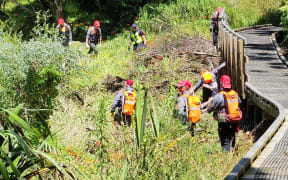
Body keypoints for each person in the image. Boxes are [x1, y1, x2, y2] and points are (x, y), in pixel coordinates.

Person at [207, 75, 242, 152]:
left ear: (221, 83)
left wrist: (208, 109)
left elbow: (210, 109)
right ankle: (234, 152)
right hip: (235, 119)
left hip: (224, 120)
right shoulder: (235, 94)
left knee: (225, 139)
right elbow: (239, 104)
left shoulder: (219, 96)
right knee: (233, 136)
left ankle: (226, 155)